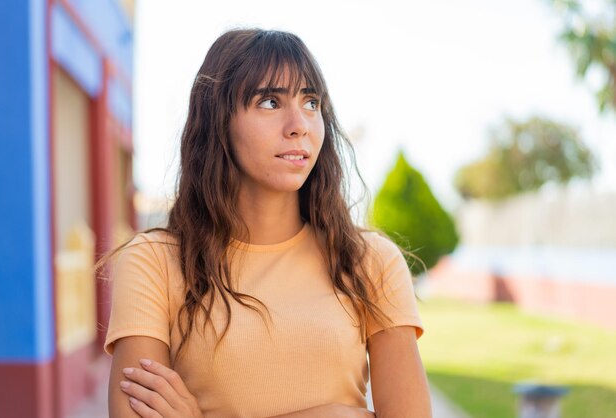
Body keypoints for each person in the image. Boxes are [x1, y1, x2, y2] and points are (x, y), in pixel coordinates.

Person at [104, 28, 432, 418]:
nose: (299, 125)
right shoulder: (154, 262)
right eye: (270, 102)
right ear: (218, 121)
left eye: (311, 102)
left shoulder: (371, 261)